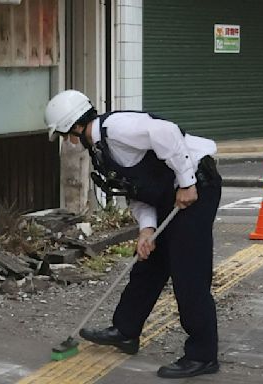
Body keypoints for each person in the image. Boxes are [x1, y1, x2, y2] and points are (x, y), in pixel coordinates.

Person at [44, 90, 222, 379]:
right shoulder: (102, 150)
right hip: (168, 194)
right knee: (149, 263)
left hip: (197, 187)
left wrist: (188, 182)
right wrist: (147, 230)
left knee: (189, 271)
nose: (69, 141)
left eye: (66, 135)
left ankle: (203, 355)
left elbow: (166, 131)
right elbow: (137, 191)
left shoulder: (116, 128)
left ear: (76, 126)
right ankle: (126, 331)